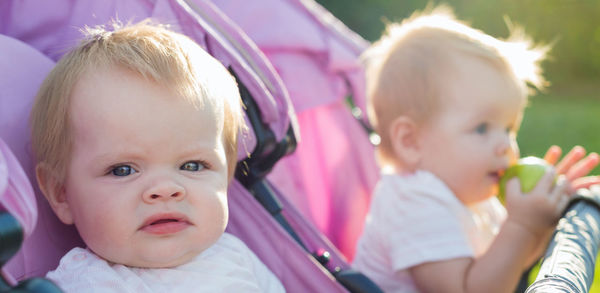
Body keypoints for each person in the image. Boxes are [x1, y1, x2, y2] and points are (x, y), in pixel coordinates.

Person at [352, 6, 599, 293]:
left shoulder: (471, 195)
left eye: (509, 129)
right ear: (410, 141)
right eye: (481, 128)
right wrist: (520, 224)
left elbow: (507, 269)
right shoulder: (414, 203)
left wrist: (539, 223)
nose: (505, 145)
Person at [30, 21, 284, 292]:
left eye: (193, 165)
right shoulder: (88, 285)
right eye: (123, 170)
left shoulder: (237, 257)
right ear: (61, 193)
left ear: (227, 173)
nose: (165, 189)